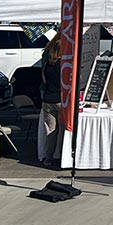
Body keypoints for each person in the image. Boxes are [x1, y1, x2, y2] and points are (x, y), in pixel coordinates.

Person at [40, 33, 63, 167]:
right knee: (63, 131)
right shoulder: (62, 66)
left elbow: (44, 81)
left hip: (47, 100)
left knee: (51, 131)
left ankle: (49, 157)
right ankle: (61, 156)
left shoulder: (47, 65)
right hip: (59, 100)